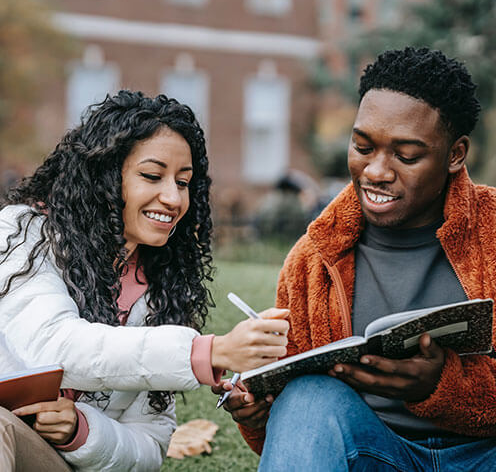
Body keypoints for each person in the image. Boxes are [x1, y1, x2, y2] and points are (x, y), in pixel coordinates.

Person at [215, 47, 496, 471]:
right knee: (305, 397)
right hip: (374, 452)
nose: (376, 171)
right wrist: (256, 410)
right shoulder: (313, 259)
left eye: (406, 155)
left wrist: (445, 386)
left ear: (455, 154)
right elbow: (302, 436)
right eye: (362, 146)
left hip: (492, 455)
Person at [0, 90, 289, 472]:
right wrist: (206, 352)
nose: (172, 197)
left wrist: (81, 431)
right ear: (102, 176)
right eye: (152, 176)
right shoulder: (23, 233)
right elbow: (53, 345)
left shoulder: (163, 290)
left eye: (183, 182)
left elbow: (150, 445)